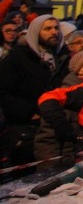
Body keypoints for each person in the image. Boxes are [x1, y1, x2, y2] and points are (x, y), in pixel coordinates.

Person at [0, 15, 70, 164]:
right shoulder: (18, 58)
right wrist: (29, 112)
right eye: (48, 29)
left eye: (56, 28)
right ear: (36, 31)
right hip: (26, 130)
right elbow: (3, 92)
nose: (54, 32)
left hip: (58, 126)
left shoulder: (64, 58)